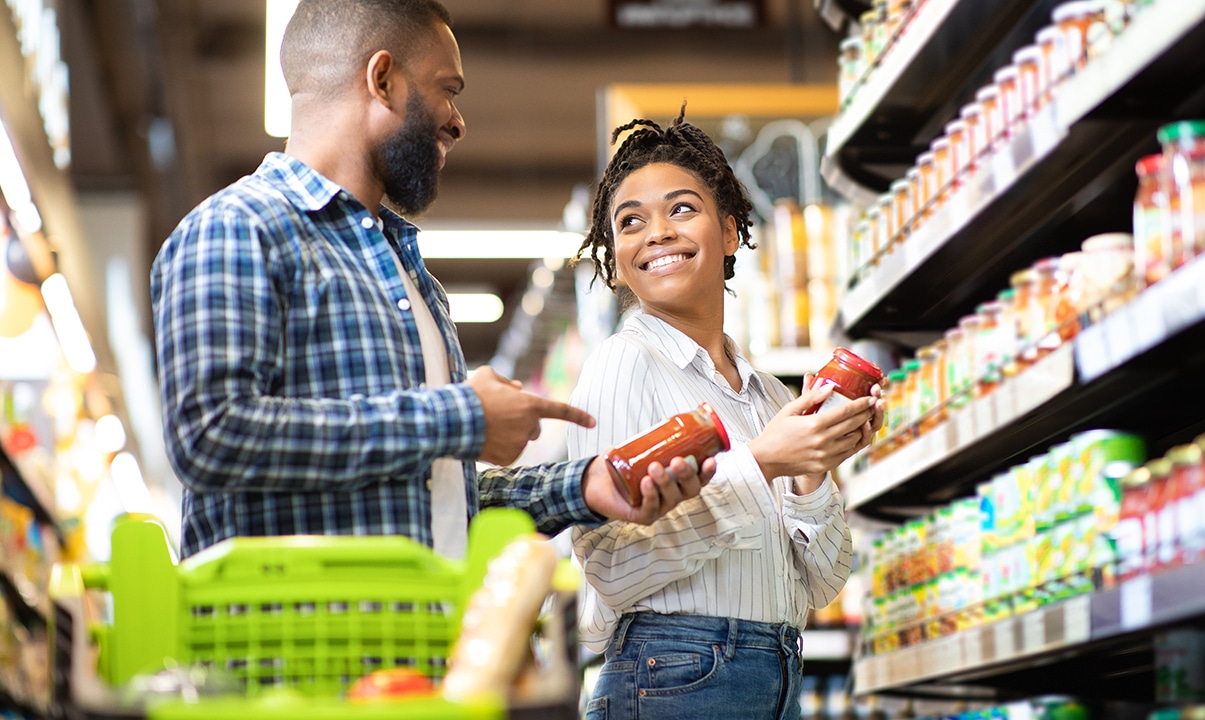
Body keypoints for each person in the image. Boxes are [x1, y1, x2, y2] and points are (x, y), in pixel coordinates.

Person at [149, 0, 713, 560]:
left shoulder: (410, 277)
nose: (458, 121)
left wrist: (587, 486)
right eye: (448, 89)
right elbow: (210, 434)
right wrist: (461, 416)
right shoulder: (236, 228)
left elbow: (440, 499)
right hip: (290, 643)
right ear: (384, 79)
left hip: (419, 638)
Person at [568, 109, 885, 720]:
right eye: (630, 222)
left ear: (731, 232)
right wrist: (764, 463)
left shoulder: (767, 395)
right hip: (672, 675)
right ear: (616, 253)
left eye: (681, 209)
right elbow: (611, 564)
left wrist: (815, 467)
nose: (656, 232)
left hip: (775, 674)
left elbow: (821, 584)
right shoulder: (622, 364)